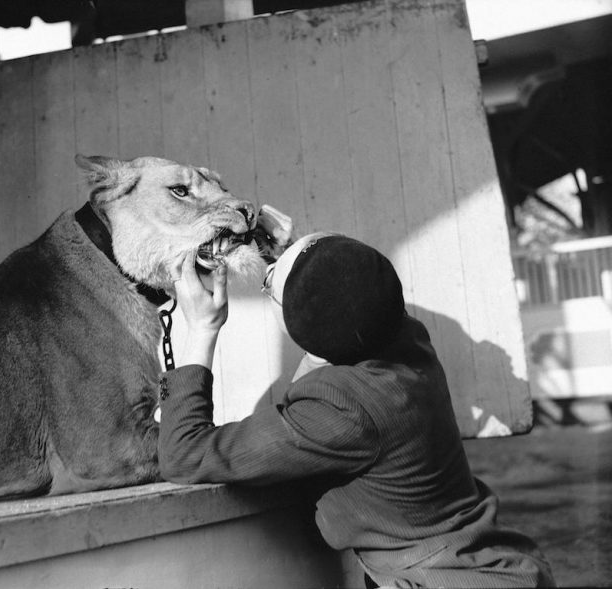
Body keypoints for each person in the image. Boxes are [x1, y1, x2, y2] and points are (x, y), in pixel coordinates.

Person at [158, 221, 555, 588]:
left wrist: (203, 328)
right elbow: (344, 303)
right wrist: (297, 261)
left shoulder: (344, 409)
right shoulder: (406, 339)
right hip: (504, 568)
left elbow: (185, 454)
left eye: (269, 284)